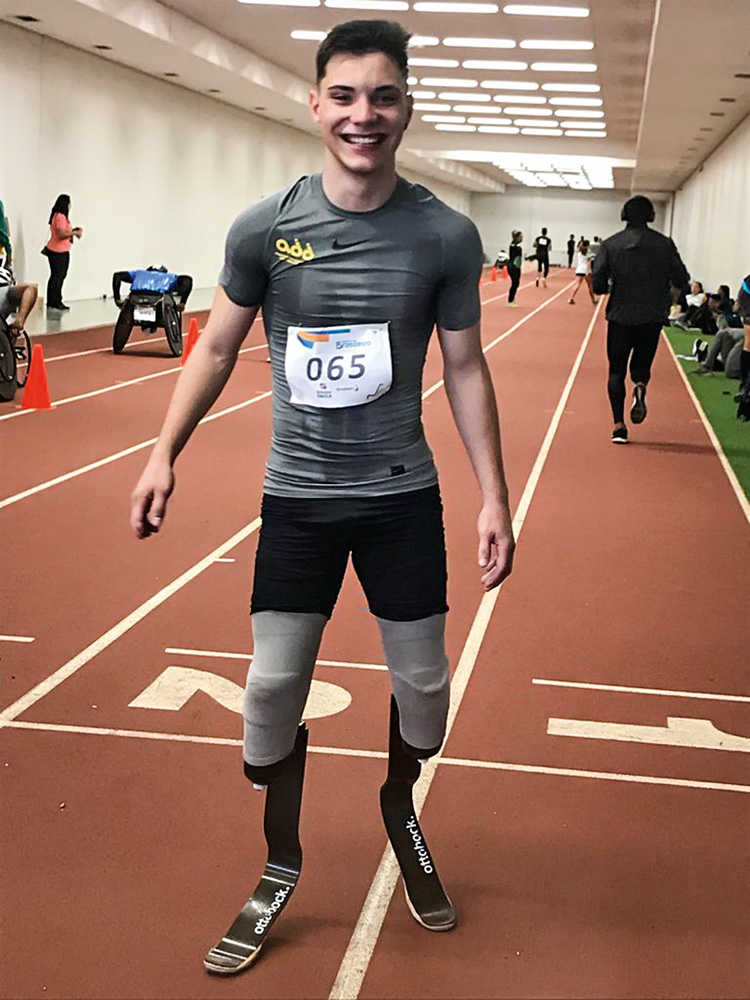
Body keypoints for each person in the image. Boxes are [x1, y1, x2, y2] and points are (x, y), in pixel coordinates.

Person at [130, 18, 515, 969]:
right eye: (344, 95)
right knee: (267, 700)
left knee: (424, 695)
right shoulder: (267, 228)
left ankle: (396, 801)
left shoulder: (443, 234)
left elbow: (465, 369)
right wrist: (161, 451)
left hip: (400, 500)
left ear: (406, 108)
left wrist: (494, 497)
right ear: (314, 103)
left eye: (382, 96)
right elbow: (216, 344)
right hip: (298, 500)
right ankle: (282, 854)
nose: (363, 115)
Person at [592, 195, 690, 443]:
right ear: (651, 216)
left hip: (620, 315)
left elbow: (599, 284)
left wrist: (614, 283)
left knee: (616, 370)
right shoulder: (664, 244)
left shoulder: (611, 244)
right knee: (641, 365)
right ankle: (640, 383)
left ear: (624, 215)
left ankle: (618, 426)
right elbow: (682, 279)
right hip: (653, 315)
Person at [43, 194, 82, 310]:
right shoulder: (60, 216)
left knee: (57, 276)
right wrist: (74, 233)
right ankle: (55, 301)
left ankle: (53, 300)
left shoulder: (60, 216)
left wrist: (72, 231)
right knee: (58, 276)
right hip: (58, 251)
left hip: (60, 250)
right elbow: (60, 234)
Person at [568, 239, 597, 306]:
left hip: (579, 270)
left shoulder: (579, 252)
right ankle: (593, 300)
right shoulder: (588, 252)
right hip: (586, 270)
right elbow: (588, 262)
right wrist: (587, 271)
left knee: (577, 284)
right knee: (590, 286)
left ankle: (571, 297)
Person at [507, 230, 523, 306]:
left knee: (516, 284)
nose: (522, 238)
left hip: (516, 266)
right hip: (513, 266)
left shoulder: (517, 245)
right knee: (515, 283)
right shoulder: (514, 246)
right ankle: (510, 300)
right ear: (517, 237)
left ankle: (511, 299)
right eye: (521, 237)